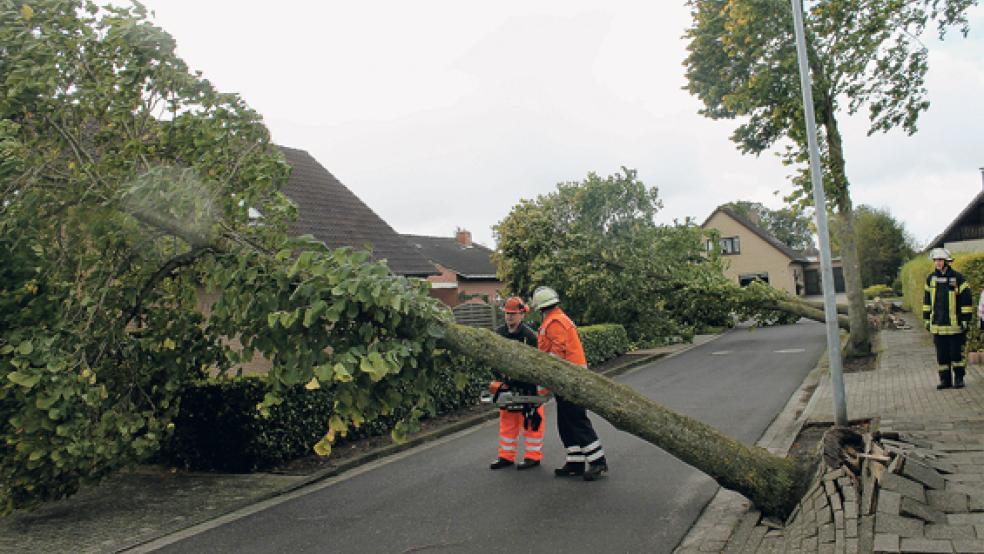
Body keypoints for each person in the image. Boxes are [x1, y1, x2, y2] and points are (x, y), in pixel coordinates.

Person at [530, 286, 609, 481]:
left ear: (539, 306)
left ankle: (598, 462)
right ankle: (575, 462)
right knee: (566, 423)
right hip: (565, 380)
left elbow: (556, 353)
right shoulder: (554, 320)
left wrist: (545, 381)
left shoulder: (555, 322)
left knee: (576, 420)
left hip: (570, 381)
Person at [488, 296, 547, 471]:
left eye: (513, 314)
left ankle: (533, 456)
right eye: (507, 314)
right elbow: (493, 358)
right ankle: (506, 456)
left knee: (532, 421)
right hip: (507, 385)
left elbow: (538, 362)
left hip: (528, 386)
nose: (509, 317)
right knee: (507, 422)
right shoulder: (499, 334)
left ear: (522, 314)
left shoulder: (529, 336)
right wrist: (500, 378)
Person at [923, 248, 974, 389]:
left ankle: (959, 378)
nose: (937, 263)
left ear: (946, 262)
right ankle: (945, 380)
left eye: (940, 260)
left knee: (956, 354)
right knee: (942, 356)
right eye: (936, 260)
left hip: (955, 325)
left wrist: (965, 320)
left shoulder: (958, 278)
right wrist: (926, 319)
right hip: (938, 325)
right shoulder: (930, 279)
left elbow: (966, 300)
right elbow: (927, 301)